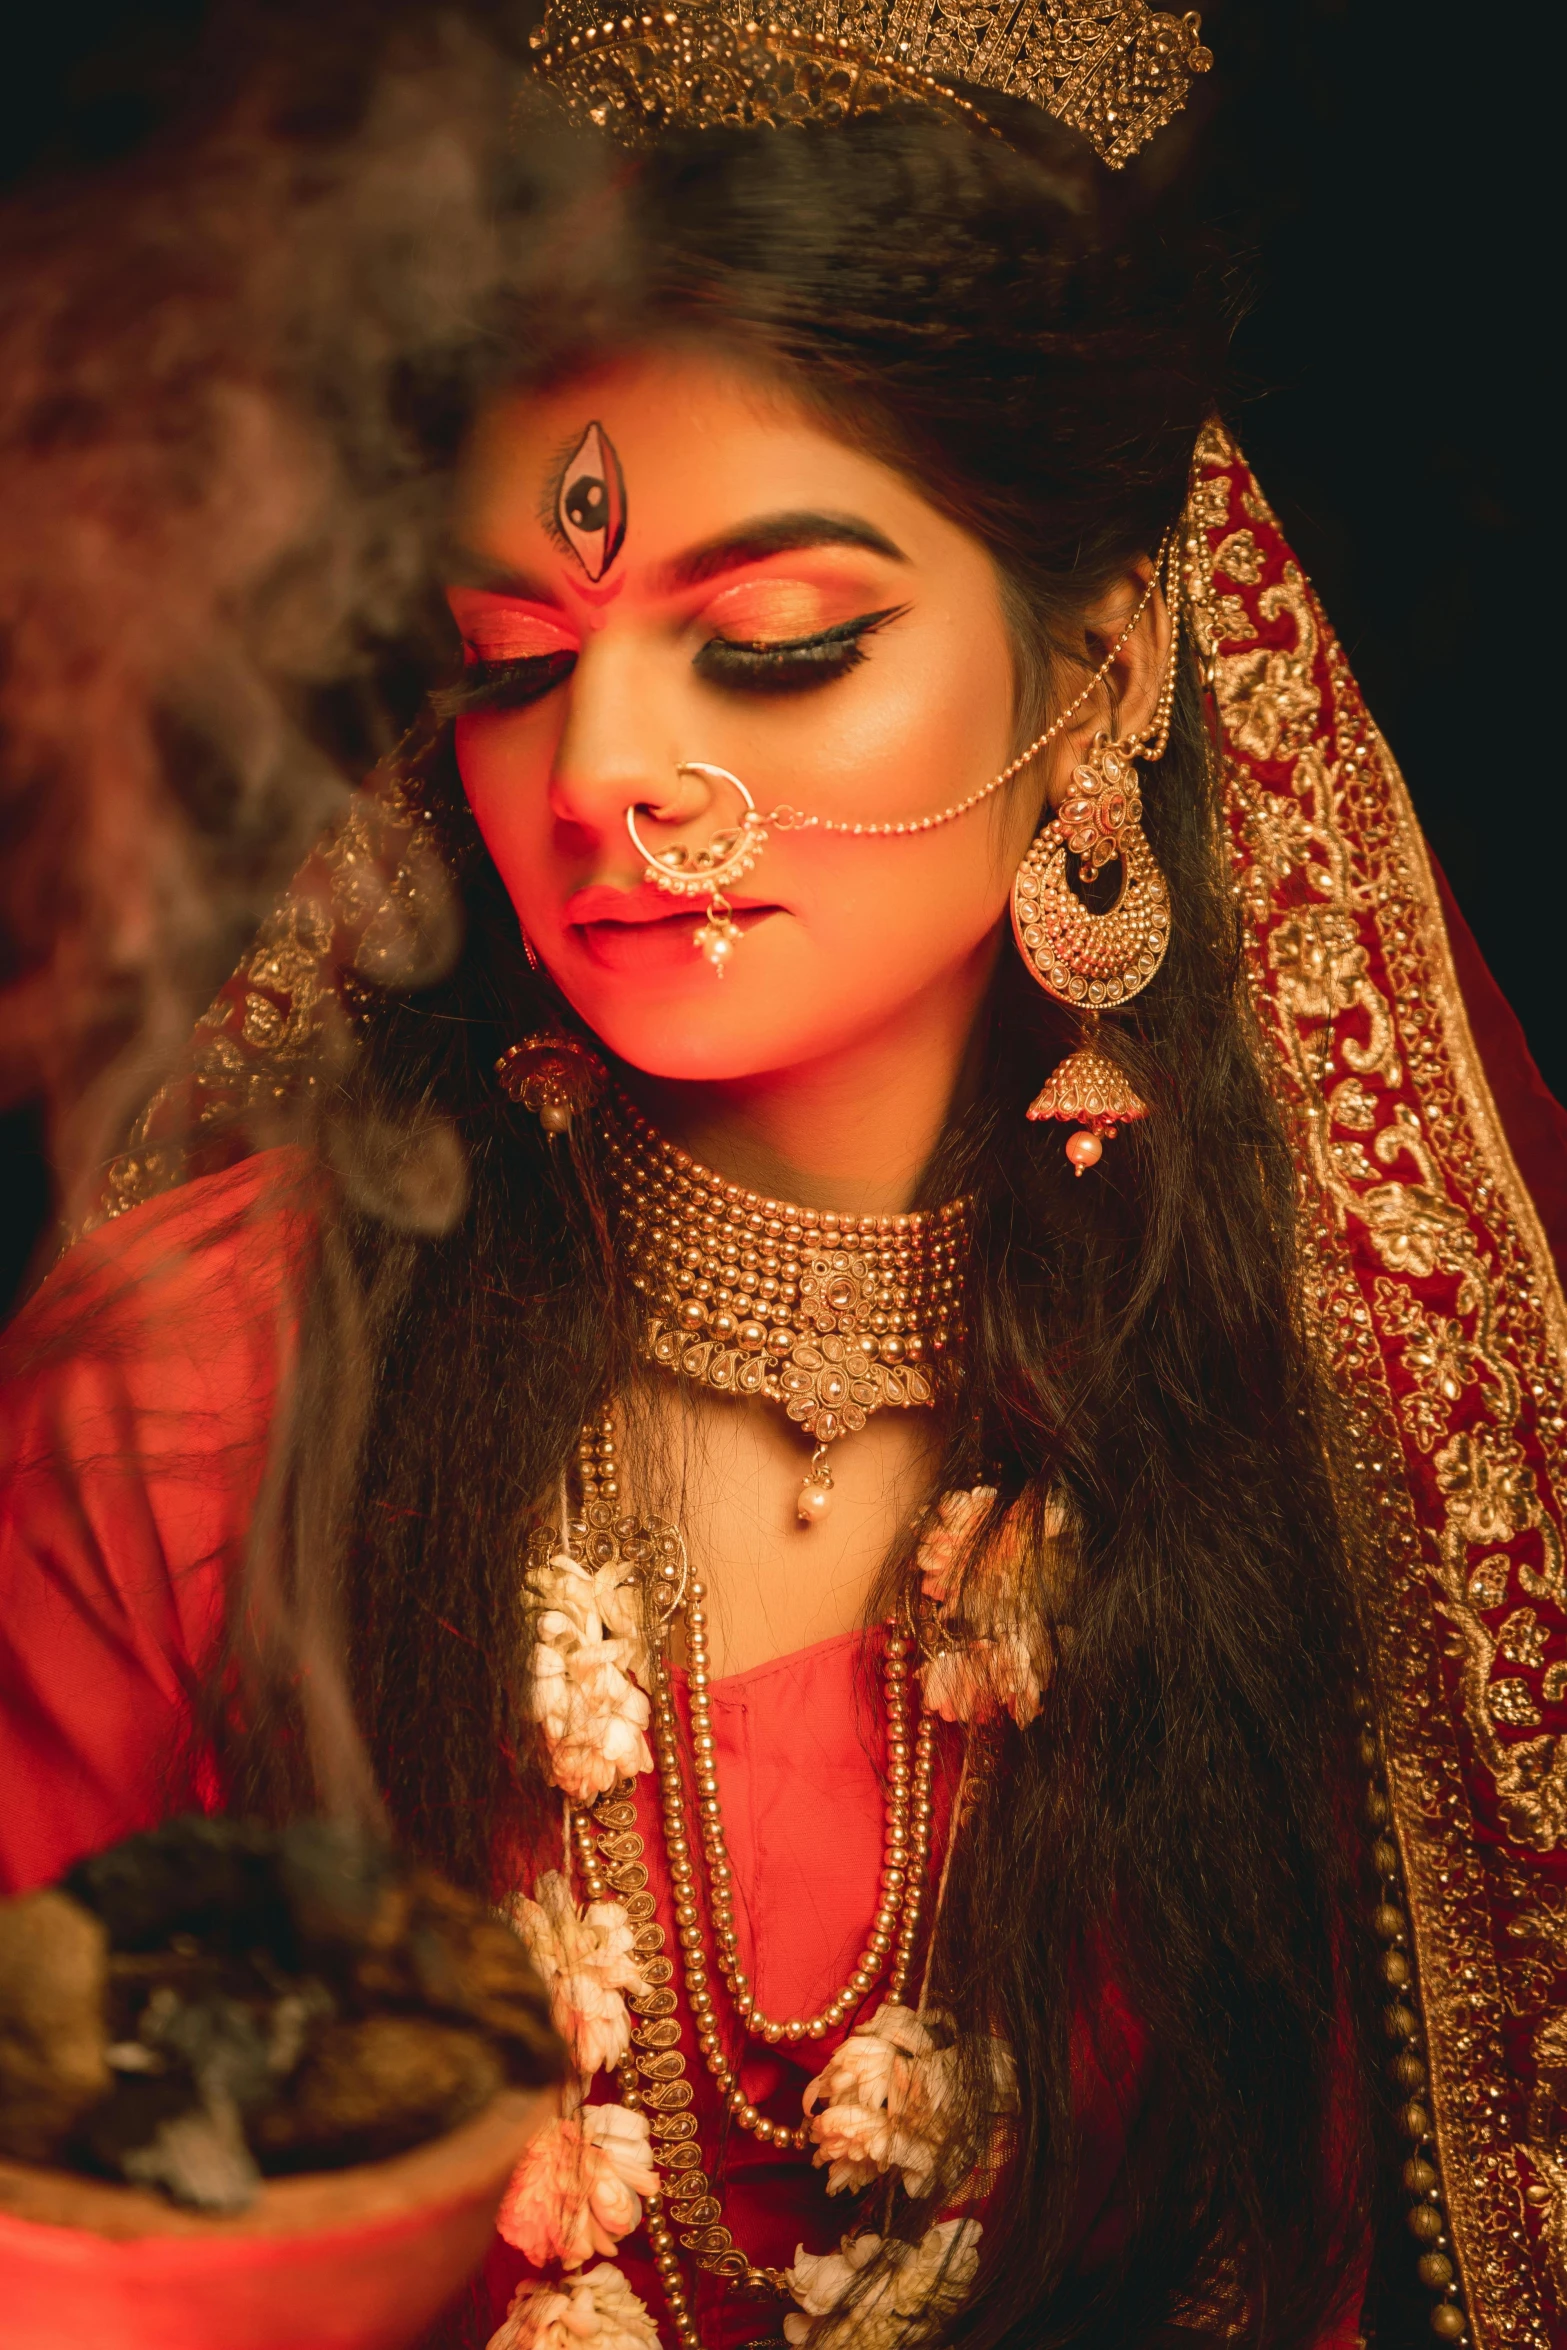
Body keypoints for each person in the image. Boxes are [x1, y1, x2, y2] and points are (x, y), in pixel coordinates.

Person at [2, 7, 1565, 2346]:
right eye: (513, 664)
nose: (603, 769)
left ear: (1107, 657)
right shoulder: (202, 1407)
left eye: (778, 646)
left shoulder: (1313, 1376)